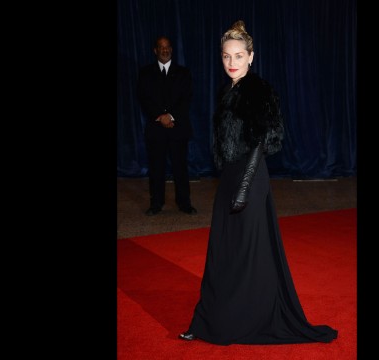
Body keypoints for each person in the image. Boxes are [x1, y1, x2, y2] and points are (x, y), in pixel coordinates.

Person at [178, 20, 338, 345]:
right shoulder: (228, 90)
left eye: (239, 55)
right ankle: (208, 320)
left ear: (251, 56)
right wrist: (231, 182)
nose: (232, 62)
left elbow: (263, 140)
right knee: (222, 252)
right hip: (231, 177)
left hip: (249, 177)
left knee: (246, 255)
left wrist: (244, 186)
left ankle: (239, 320)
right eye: (226, 56)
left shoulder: (258, 89)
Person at [137, 36, 197, 216]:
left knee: (180, 167)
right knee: (156, 168)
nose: (165, 50)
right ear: (155, 50)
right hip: (156, 129)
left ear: (171, 49)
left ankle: (184, 203)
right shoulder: (145, 73)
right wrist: (160, 117)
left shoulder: (184, 73)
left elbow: (186, 99)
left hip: (178, 128)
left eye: (168, 47)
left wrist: (170, 116)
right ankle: (156, 203)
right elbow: (144, 98)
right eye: (161, 47)